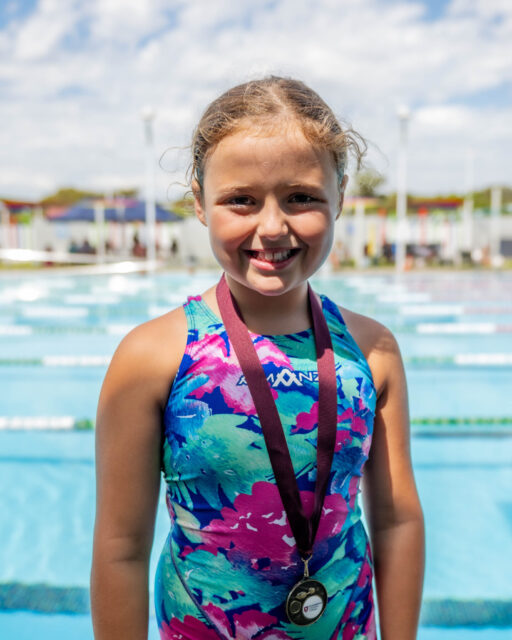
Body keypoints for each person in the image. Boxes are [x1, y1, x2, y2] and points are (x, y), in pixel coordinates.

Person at [91, 76, 425, 640]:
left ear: (341, 195)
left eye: (302, 197)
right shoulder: (153, 357)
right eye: (241, 200)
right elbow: (121, 547)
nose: (272, 227)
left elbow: (397, 521)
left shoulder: (371, 352)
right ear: (200, 202)